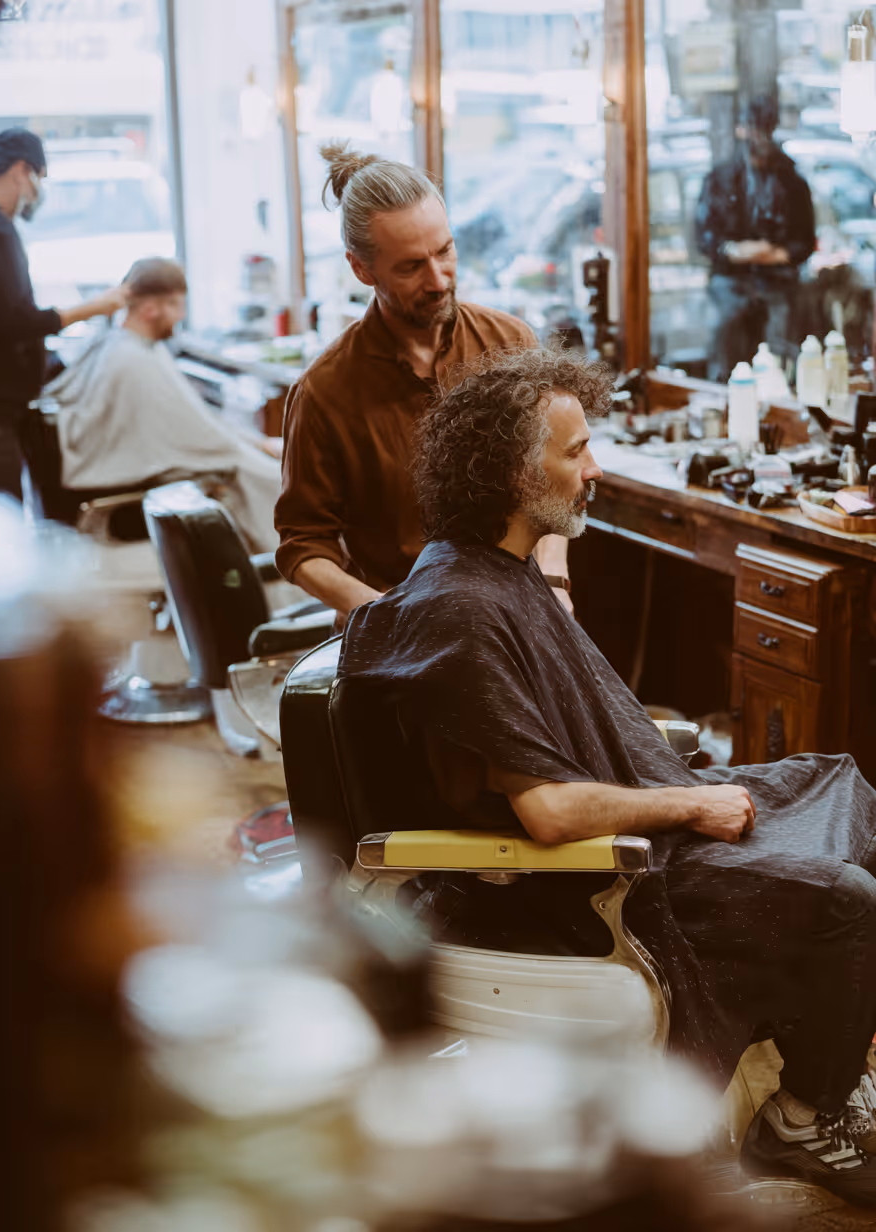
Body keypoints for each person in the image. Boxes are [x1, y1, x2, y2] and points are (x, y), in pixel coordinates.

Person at [339, 345, 876, 1209]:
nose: (595, 469)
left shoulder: (499, 571)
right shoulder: (468, 611)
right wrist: (691, 802)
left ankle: (825, 1049)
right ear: (516, 474)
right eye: (575, 450)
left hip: (642, 828)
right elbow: (548, 812)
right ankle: (806, 1116)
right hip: (586, 885)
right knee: (848, 895)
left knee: (835, 777)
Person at [274, 141, 572, 622]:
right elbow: (303, 547)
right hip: (402, 634)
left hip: (518, 615)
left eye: (445, 251)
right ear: (361, 268)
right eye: (411, 266)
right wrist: (387, 614)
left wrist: (554, 583)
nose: (438, 279)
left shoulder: (511, 343)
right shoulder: (325, 392)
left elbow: (553, 481)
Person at [46, 258, 281, 552]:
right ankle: (291, 574)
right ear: (150, 309)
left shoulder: (128, 348)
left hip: (142, 465)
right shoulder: (132, 362)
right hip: (140, 486)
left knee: (268, 461)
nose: (182, 315)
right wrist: (254, 447)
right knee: (274, 477)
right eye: (177, 304)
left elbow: (194, 425)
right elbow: (205, 440)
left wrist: (257, 442)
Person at [0, 128, 127, 502]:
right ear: (21, 172)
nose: (39, 190)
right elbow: (14, 321)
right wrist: (95, 306)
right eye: (40, 178)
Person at [695, 96, 816, 382]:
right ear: (740, 129)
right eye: (751, 128)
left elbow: (805, 240)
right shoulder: (720, 179)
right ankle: (724, 399)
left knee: (779, 356)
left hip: (777, 278)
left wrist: (776, 254)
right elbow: (704, 236)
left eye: (763, 129)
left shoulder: (791, 180)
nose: (757, 136)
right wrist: (734, 250)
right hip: (731, 280)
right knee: (726, 342)